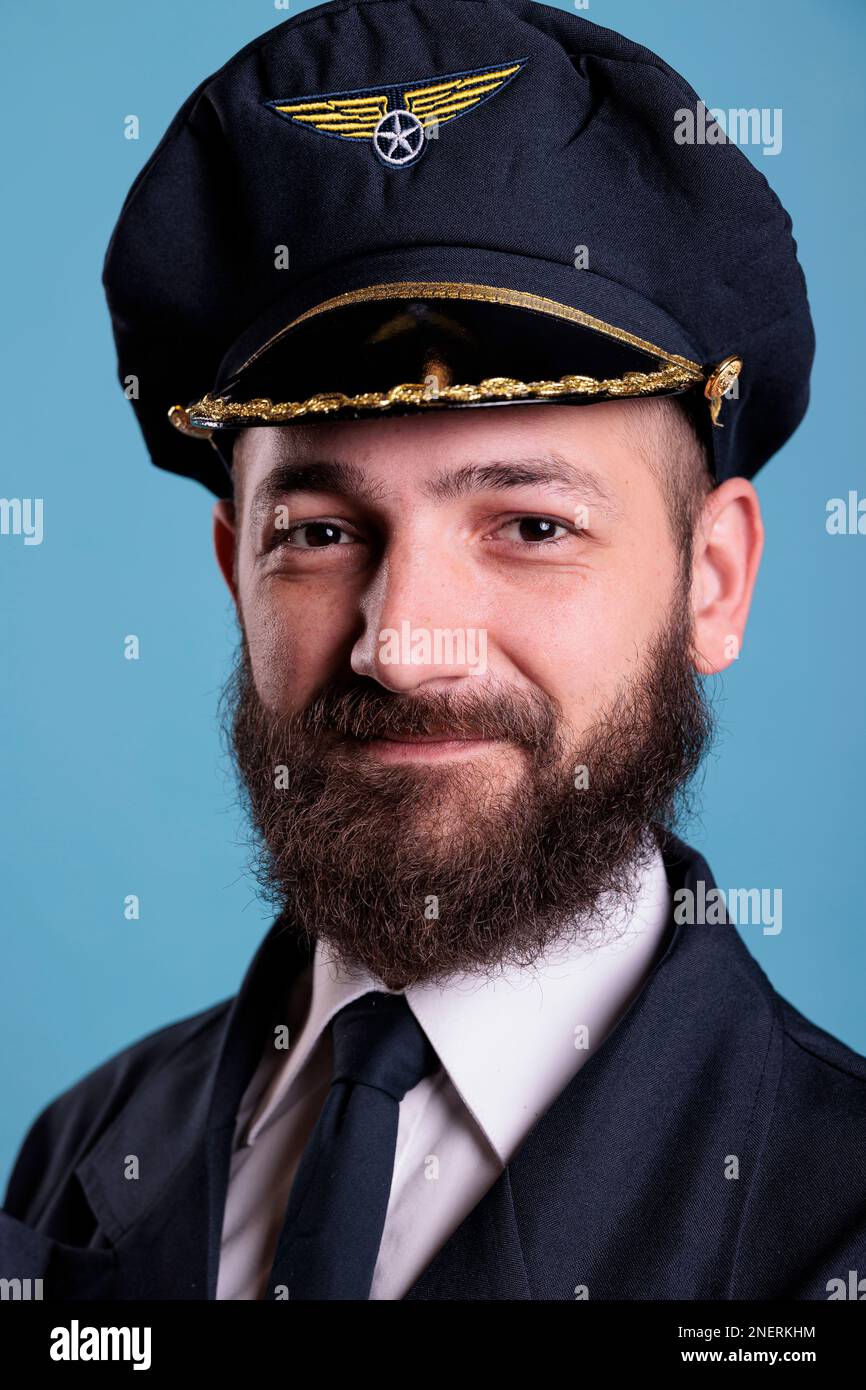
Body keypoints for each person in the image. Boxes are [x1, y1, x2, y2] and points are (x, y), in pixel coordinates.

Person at [2, 0, 864, 1301]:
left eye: (528, 523)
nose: (404, 645)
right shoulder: (84, 1148)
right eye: (323, 528)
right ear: (236, 570)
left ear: (714, 579)